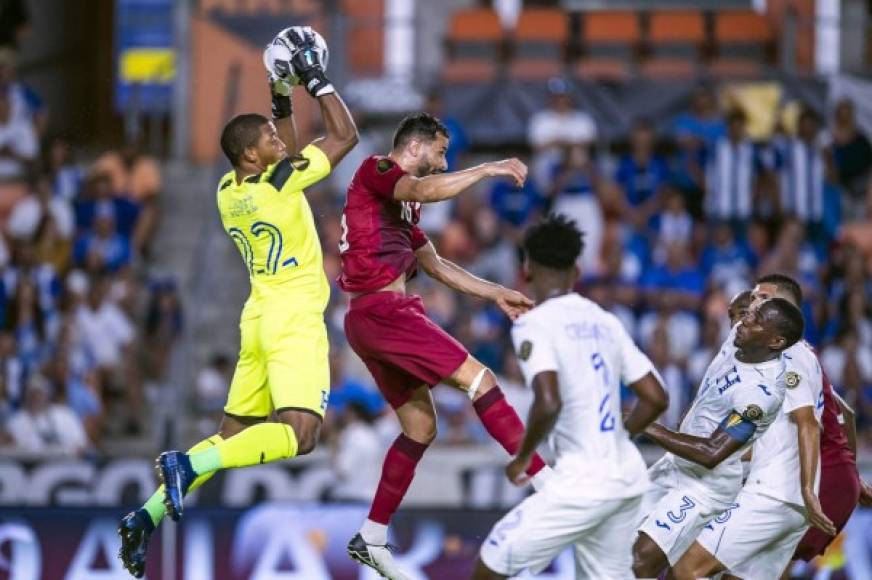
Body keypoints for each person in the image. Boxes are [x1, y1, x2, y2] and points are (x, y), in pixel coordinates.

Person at [116, 26, 358, 578]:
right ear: (253, 153)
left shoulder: (232, 190)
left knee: (233, 440)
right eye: (271, 138)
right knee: (300, 435)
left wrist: (279, 92)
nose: (281, 142)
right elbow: (344, 136)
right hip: (293, 316)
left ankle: (145, 516)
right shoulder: (277, 183)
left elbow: (291, 152)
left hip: (256, 318)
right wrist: (315, 79)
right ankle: (185, 461)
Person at [337, 111, 548, 580]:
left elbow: (436, 265)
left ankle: (371, 534)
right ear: (414, 147)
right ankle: (546, 481)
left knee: (419, 428)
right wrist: (488, 168)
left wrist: (495, 292)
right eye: (440, 151)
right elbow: (424, 188)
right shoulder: (380, 170)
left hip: (371, 317)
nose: (443, 160)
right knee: (481, 380)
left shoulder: (402, 207)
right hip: (384, 312)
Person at [473, 214, 668, 579]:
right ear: (576, 269)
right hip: (626, 477)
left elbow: (548, 402)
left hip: (581, 483)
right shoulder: (605, 320)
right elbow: (656, 397)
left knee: (490, 564)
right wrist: (618, 436)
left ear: (527, 267)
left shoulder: (534, 323)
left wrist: (523, 458)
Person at [672, 274, 835, 579]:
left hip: (773, 493)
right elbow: (836, 416)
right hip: (788, 501)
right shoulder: (805, 354)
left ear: (783, 310)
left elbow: (808, 424)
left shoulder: (789, 355)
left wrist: (807, 492)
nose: (752, 303)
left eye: (762, 299)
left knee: (687, 566)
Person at [632, 296, 805, 577]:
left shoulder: (761, 394)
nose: (745, 320)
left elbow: (712, 452)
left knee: (640, 561)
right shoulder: (740, 339)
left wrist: (647, 426)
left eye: (756, 320)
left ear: (775, 342)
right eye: (749, 313)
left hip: (703, 488)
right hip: (674, 465)